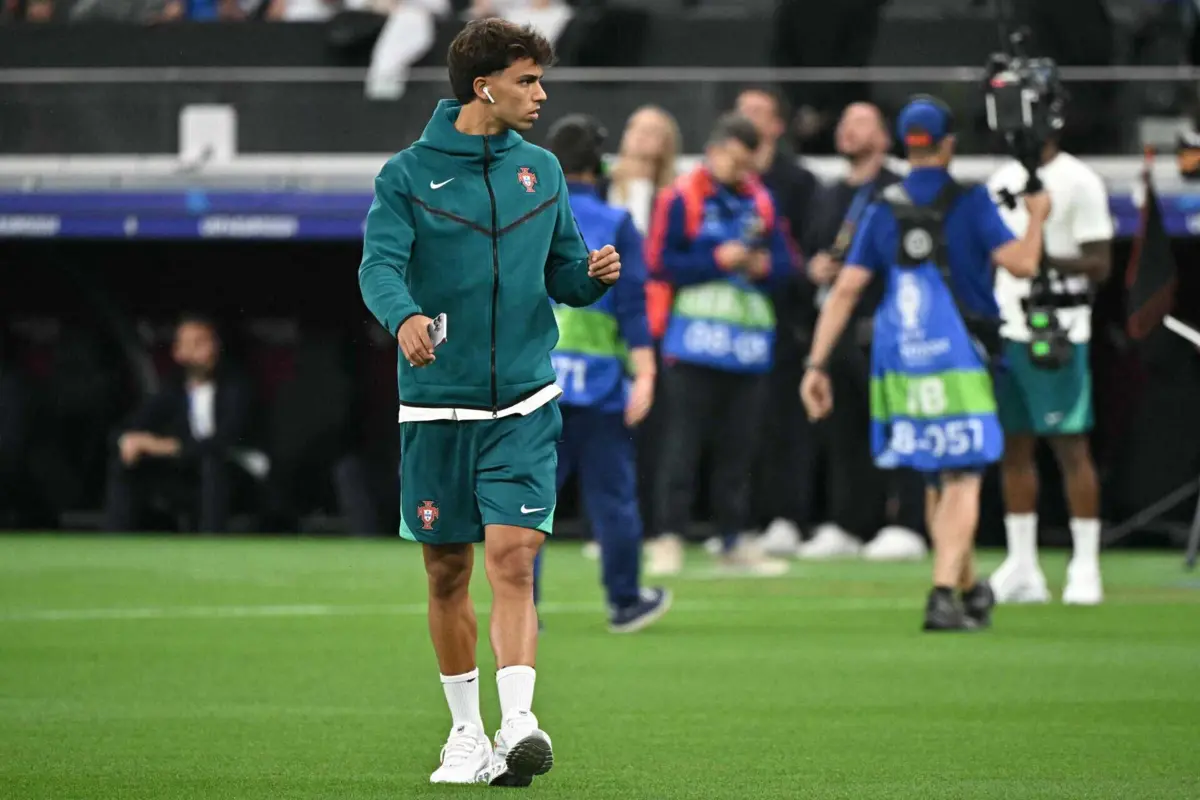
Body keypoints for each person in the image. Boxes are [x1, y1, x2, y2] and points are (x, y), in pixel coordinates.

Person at [357, 18, 622, 787]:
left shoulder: (542, 169)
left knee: (515, 557)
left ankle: (520, 723)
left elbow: (564, 273)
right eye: (528, 80)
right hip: (438, 407)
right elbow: (379, 264)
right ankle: (466, 735)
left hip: (526, 403)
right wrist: (403, 316)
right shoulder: (405, 175)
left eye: (541, 80)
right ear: (485, 87)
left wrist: (592, 275)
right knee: (446, 572)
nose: (540, 95)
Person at [800, 96, 1050, 631]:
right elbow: (1024, 265)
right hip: (962, 360)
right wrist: (1037, 219)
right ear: (948, 144)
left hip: (903, 363)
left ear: (905, 145)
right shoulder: (971, 202)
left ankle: (968, 586)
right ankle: (941, 595)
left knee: (940, 478)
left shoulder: (880, 205)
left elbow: (845, 290)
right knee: (962, 476)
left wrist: (815, 365)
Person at [532, 113, 672, 632]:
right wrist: (647, 375)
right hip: (600, 387)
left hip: (536, 384)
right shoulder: (616, 225)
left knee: (530, 503)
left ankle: (523, 608)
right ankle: (625, 601)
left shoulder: (530, 216)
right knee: (613, 499)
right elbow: (632, 307)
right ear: (601, 164)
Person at [643, 112, 796, 577]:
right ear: (714, 150)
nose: (740, 172)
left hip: (747, 347)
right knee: (682, 446)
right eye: (734, 160)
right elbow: (659, 262)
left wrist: (762, 267)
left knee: (739, 450)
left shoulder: (763, 201)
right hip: (692, 342)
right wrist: (716, 260)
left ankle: (733, 538)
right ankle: (667, 537)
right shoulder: (681, 197)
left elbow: (790, 265)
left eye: (748, 164)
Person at [796, 102, 928, 562]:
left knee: (898, 424)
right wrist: (816, 267)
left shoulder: (898, 189)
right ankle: (848, 523)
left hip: (888, 323)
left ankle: (907, 523)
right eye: (845, 123)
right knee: (843, 428)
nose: (849, 131)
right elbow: (811, 249)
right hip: (838, 325)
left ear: (886, 137)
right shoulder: (828, 193)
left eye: (862, 124)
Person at [987, 133, 1113, 605]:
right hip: (1008, 323)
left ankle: (1085, 564)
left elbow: (1101, 263)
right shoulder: (1001, 179)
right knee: (1014, 447)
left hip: (1059, 328)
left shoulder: (1080, 180)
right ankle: (1023, 565)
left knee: (1069, 445)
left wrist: (1040, 260)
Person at [104, 314, 255, 534]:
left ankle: (212, 545)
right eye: (193, 344)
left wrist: (167, 446)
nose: (203, 351)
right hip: (186, 472)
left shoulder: (237, 387)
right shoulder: (172, 390)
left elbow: (224, 440)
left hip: (234, 473)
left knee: (212, 463)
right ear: (178, 352)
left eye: (206, 342)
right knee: (125, 459)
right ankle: (114, 541)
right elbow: (128, 427)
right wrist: (128, 440)